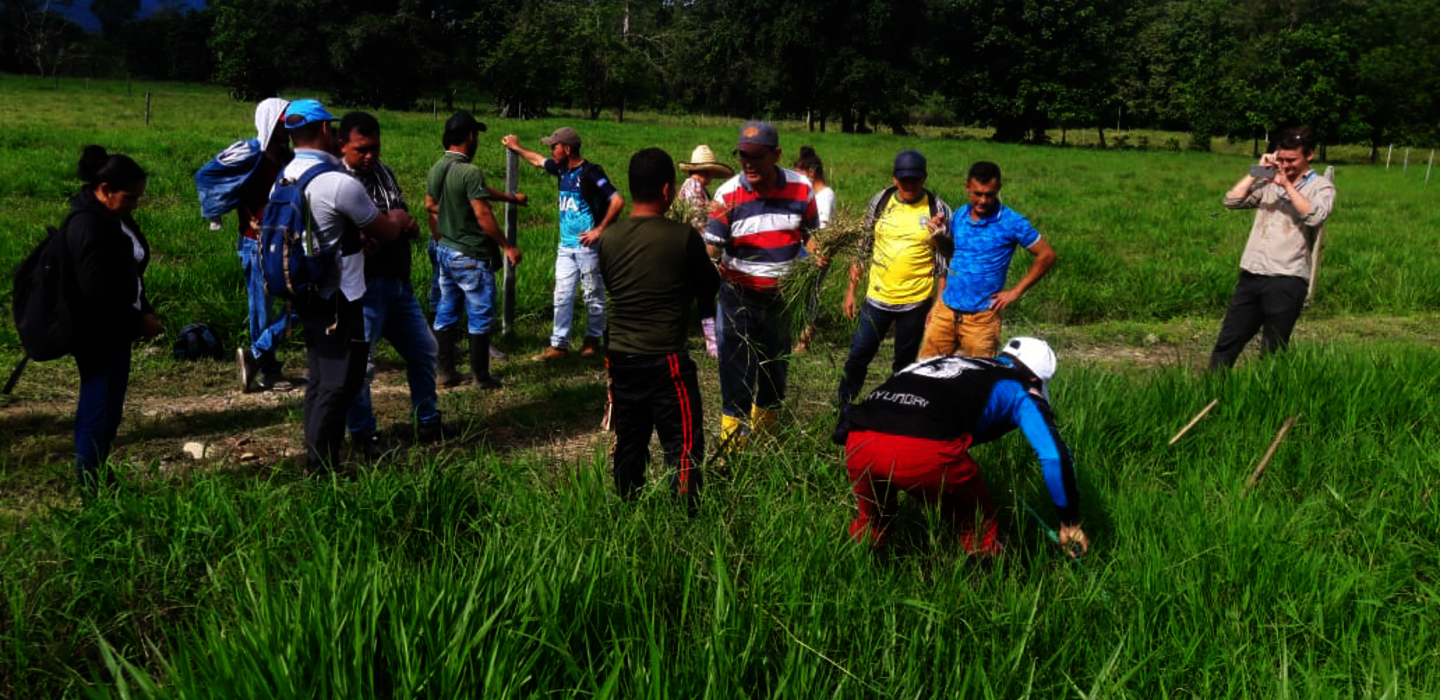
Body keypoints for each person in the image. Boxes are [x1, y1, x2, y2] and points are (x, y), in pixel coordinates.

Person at [838, 338, 1088, 557]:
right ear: (1034, 378)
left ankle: (853, 572)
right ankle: (980, 594)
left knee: (873, 522)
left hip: (859, 437)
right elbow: (1054, 457)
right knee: (980, 527)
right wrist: (1070, 522)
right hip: (921, 449)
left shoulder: (949, 362)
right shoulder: (1022, 388)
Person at [278, 99, 412, 476]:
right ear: (325, 131)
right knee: (341, 382)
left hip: (305, 290)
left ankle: (318, 457)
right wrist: (398, 219)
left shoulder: (286, 175)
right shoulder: (338, 183)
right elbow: (385, 231)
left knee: (320, 379)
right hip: (340, 297)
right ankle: (320, 466)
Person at [597, 147, 721, 501]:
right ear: (668, 190)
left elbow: (614, 284)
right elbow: (708, 288)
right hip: (666, 361)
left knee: (630, 442)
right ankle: (685, 519)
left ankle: (626, 506)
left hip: (620, 359)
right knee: (682, 446)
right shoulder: (683, 237)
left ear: (632, 188)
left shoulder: (608, 239)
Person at [704, 121, 819, 450]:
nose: (749, 163)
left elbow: (812, 237)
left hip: (782, 300)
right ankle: (732, 450)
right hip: (737, 298)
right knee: (735, 373)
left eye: (757, 156)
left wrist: (816, 258)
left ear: (776, 155)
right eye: (743, 156)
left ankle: (766, 445)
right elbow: (712, 250)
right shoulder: (727, 194)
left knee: (774, 371)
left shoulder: (801, 189)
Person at [335, 111, 444, 451]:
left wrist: (402, 225)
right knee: (360, 366)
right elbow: (349, 239)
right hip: (363, 288)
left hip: (398, 282)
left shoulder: (383, 173)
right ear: (343, 146)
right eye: (361, 149)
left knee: (425, 351)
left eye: (375, 148)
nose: (369, 156)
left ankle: (427, 421)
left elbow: (401, 214)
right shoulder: (337, 181)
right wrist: (389, 226)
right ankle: (363, 435)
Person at [64, 146, 163, 490]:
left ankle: (98, 476)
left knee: (106, 411)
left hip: (117, 328)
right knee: (99, 412)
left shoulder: (112, 217)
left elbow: (127, 271)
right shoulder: (88, 225)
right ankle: (93, 490)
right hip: (99, 333)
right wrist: (138, 321)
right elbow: (96, 291)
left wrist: (144, 305)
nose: (136, 203)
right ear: (105, 190)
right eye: (131, 197)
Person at [195, 98, 299, 394]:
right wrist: (228, 205)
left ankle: (256, 355)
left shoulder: (285, 155)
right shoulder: (250, 153)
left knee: (302, 299)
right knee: (261, 309)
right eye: (284, 122)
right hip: (256, 241)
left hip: (284, 241)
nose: (289, 128)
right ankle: (267, 369)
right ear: (271, 121)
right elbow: (207, 174)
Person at [1209, 128, 1335, 369]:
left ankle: (1268, 399)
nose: (1285, 165)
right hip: (1252, 274)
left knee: (1273, 350)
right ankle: (1213, 393)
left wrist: (1286, 184)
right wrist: (1257, 170)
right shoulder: (1268, 180)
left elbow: (1314, 216)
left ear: (1309, 155)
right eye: (1281, 159)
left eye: (1291, 160)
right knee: (1227, 342)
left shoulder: (1321, 187)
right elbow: (1231, 200)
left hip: (1287, 278)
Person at [837, 150, 953, 406]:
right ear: (894, 178)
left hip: (916, 302)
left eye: (915, 179)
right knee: (858, 355)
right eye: (904, 179)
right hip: (877, 298)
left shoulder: (939, 209)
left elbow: (944, 263)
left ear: (924, 178)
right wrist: (851, 289)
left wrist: (939, 304)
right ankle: (842, 405)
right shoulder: (880, 201)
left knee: (904, 363)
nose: (909, 185)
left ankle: (896, 410)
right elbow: (864, 244)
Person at [502, 127, 624, 362]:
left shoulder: (591, 173)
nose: (551, 150)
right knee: (562, 295)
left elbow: (617, 201)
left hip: (588, 248)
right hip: (565, 248)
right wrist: (516, 147)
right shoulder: (561, 169)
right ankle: (559, 345)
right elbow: (538, 161)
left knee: (593, 294)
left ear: (567, 149)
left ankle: (592, 338)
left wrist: (599, 230)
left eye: (554, 146)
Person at [426, 111, 525, 389]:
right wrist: (507, 246)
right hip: (471, 254)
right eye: (477, 134)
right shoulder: (470, 172)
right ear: (470, 136)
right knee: (480, 313)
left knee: (447, 309)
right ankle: (481, 376)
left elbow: (429, 204)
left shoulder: (439, 167)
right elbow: (482, 213)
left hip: (446, 250)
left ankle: (445, 373)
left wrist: (450, 221)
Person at [920, 161, 1056, 359]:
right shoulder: (959, 215)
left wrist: (1015, 293)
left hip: (982, 318)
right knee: (926, 371)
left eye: (989, 194)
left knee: (979, 380)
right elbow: (951, 254)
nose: (983, 200)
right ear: (967, 187)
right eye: (978, 194)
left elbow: (1047, 255)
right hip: (946, 311)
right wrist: (939, 236)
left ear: (998, 190)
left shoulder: (1012, 222)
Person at [676, 144, 733, 358]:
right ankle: (710, 342)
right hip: (695, 250)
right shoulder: (694, 188)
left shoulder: (694, 187)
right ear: (706, 171)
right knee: (704, 294)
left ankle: (699, 340)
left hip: (691, 249)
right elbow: (699, 223)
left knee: (698, 295)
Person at [792, 145, 835, 354]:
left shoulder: (825, 196)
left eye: (800, 173)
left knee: (811, 296)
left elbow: (822, 231)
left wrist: (815, 254)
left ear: (811, 172)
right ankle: (798, 336)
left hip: (816, 254)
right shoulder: (808, 194)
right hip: (803, 251)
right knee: (802, 295)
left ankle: (804, 341)